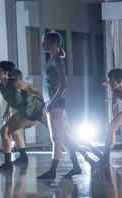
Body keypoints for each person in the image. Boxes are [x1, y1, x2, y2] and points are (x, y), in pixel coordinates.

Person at [36, 32, 92, 181]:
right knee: (63, 138)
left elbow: (63, 85)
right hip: (52, 103)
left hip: (56, 104)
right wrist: (46, 103)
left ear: (54, 43)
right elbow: (48, 85)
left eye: (45, 41)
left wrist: (52, 103)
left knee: (56, 138)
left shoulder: (57, 61)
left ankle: (53, 171)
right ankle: (76, 166)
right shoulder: (51, 60)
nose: (43, 44)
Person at [0, 62, 45, 173]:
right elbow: (10, 98)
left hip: (37, 110)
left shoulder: (17, 83)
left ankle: (10, 163)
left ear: (6, 72)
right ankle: (21, 157)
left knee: (61, 134)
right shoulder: (2, 86)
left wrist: (49, 106)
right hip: (24, 113)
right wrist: (7, 110)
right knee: (9, 130)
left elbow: (37, 92)